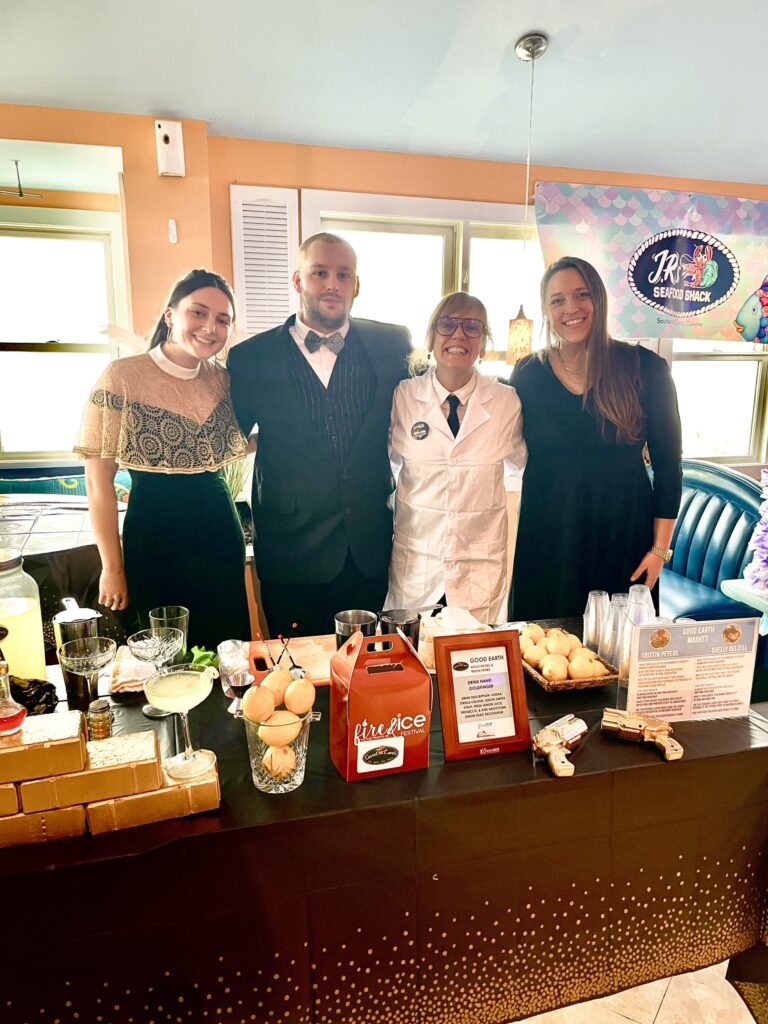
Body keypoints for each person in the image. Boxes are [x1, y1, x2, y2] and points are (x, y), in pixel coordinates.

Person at [228, 232, 411, 637]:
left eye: (344, 275)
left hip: (368, 547)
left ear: (356, 285)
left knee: (369, 670)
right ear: (297, 280)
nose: (333, 284)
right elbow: (228, 437)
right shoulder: (250, 358)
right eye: (320, 273)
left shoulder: (392, 343)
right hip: (291, 550)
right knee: (296, 678)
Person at [74, 268, 251, 650]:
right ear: (171, 315)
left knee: (228, 651)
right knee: (166, 654)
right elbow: (97, 480)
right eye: (198, 313)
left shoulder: (223, 380)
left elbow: (224, 445)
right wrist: (112, 567)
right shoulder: (122, 376)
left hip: (220, 532)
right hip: (153, 537)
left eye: (223, 320)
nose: (210, 327)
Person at [509, 256, 682, 620]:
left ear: (599, 300)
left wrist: (660, 552)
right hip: (548, 537)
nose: (571, 308)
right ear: (546, 310)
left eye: (581, 295)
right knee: (543, 658)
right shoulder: (527, 375)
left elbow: (669, 467)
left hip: (624, 538)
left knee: (619, 663)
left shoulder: (646, 368)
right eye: (557, 300)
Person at [386, 293, 526, 624]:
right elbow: (385, 465)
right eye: (447, 324)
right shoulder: (403, 396)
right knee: (413, 663)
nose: (459, 335)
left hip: (479, 569)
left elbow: (525, 467)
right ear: (432, 336)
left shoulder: (507, 402)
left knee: (476, 668)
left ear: (483, 340)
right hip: (417, 564)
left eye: (472, 327)